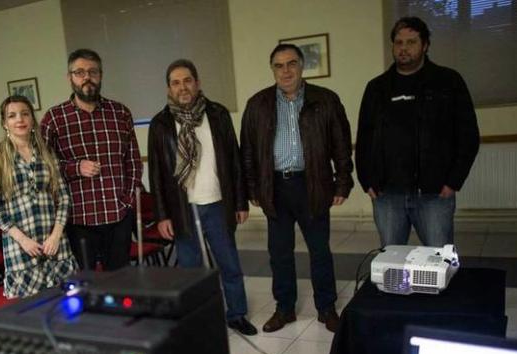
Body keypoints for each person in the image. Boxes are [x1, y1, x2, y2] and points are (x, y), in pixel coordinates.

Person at [241, 44, 354, 333]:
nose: (286, 70)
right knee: (279, 253)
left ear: (302, 67)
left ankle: (326, 308)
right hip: (275, 187)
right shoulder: (258, 104)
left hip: (313, 185)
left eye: (292, 64)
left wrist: (342, 181)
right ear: (273, 70)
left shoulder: (325, 100)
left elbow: (341, 145)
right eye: (279, 65)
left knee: (319, 250)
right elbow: (249, 152)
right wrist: (252, 187)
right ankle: (284, 309)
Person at [148, 59, 257, 336]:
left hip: (219, 204)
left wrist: (241, 201)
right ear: (168, 89)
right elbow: (158, 174)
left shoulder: (218, 114)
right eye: (175, 82)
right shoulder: (160, 124)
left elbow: (234, 159)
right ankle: (197, 320)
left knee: (229, 264)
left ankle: (237, 314)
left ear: (197, 83)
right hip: (183, 210)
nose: (182, 87)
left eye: (187, 80)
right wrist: (162, 215)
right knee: (191, 273)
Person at [355, 16, 479, 248]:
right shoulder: (377, 88)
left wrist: (453, 182)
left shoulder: (448, 81)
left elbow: (468, 136)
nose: (403, 48)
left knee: (438, 261)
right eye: (398, 42)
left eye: (411, 42)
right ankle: (397, 287)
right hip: (387, 195)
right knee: (392, 261)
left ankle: (438, 287)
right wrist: (367, 180)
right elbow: (364, 138)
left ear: (425, 45)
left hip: (434, 193)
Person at [40, 49, 142, 271]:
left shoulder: (120, 113)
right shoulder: (54, 119)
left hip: (118, 215)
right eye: (79, 72)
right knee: (87, 284)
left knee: (121, 281)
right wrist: (75, 167)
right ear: (70, 78)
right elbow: (43, 168)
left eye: (92, 72)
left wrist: (127, 201)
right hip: (78, 219)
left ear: (101, 75)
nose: (87, 77)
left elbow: (133, 161)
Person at [0, 95, 78, 298]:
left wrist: (56, 235)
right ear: (4, 123)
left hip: (54, 244)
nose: (20, 119)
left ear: (33, 120)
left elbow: (63, 198)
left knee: (66, 306)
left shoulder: (47, 153)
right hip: (21, 246)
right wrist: (23, 240)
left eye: (25, 114)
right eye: (12, 115)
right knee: (33, 312)